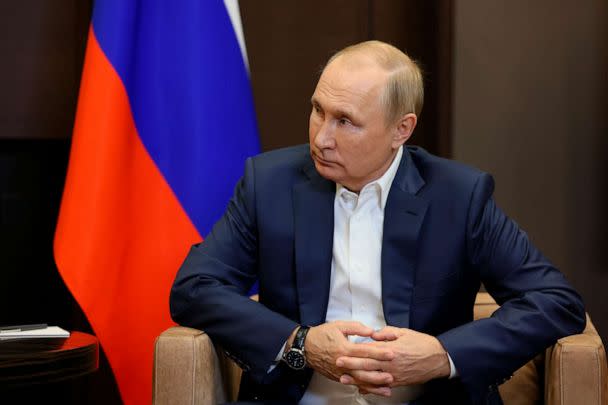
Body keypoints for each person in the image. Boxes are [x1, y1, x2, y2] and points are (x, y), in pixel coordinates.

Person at [170, 41, 585, 405]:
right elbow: (194, 289)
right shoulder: (270, 183)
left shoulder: (459, 196)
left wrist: (442, 354)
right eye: (318, 111)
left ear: (401, 130)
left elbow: (556, 301)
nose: (321, 138)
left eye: (345, 121)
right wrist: (302, 343)